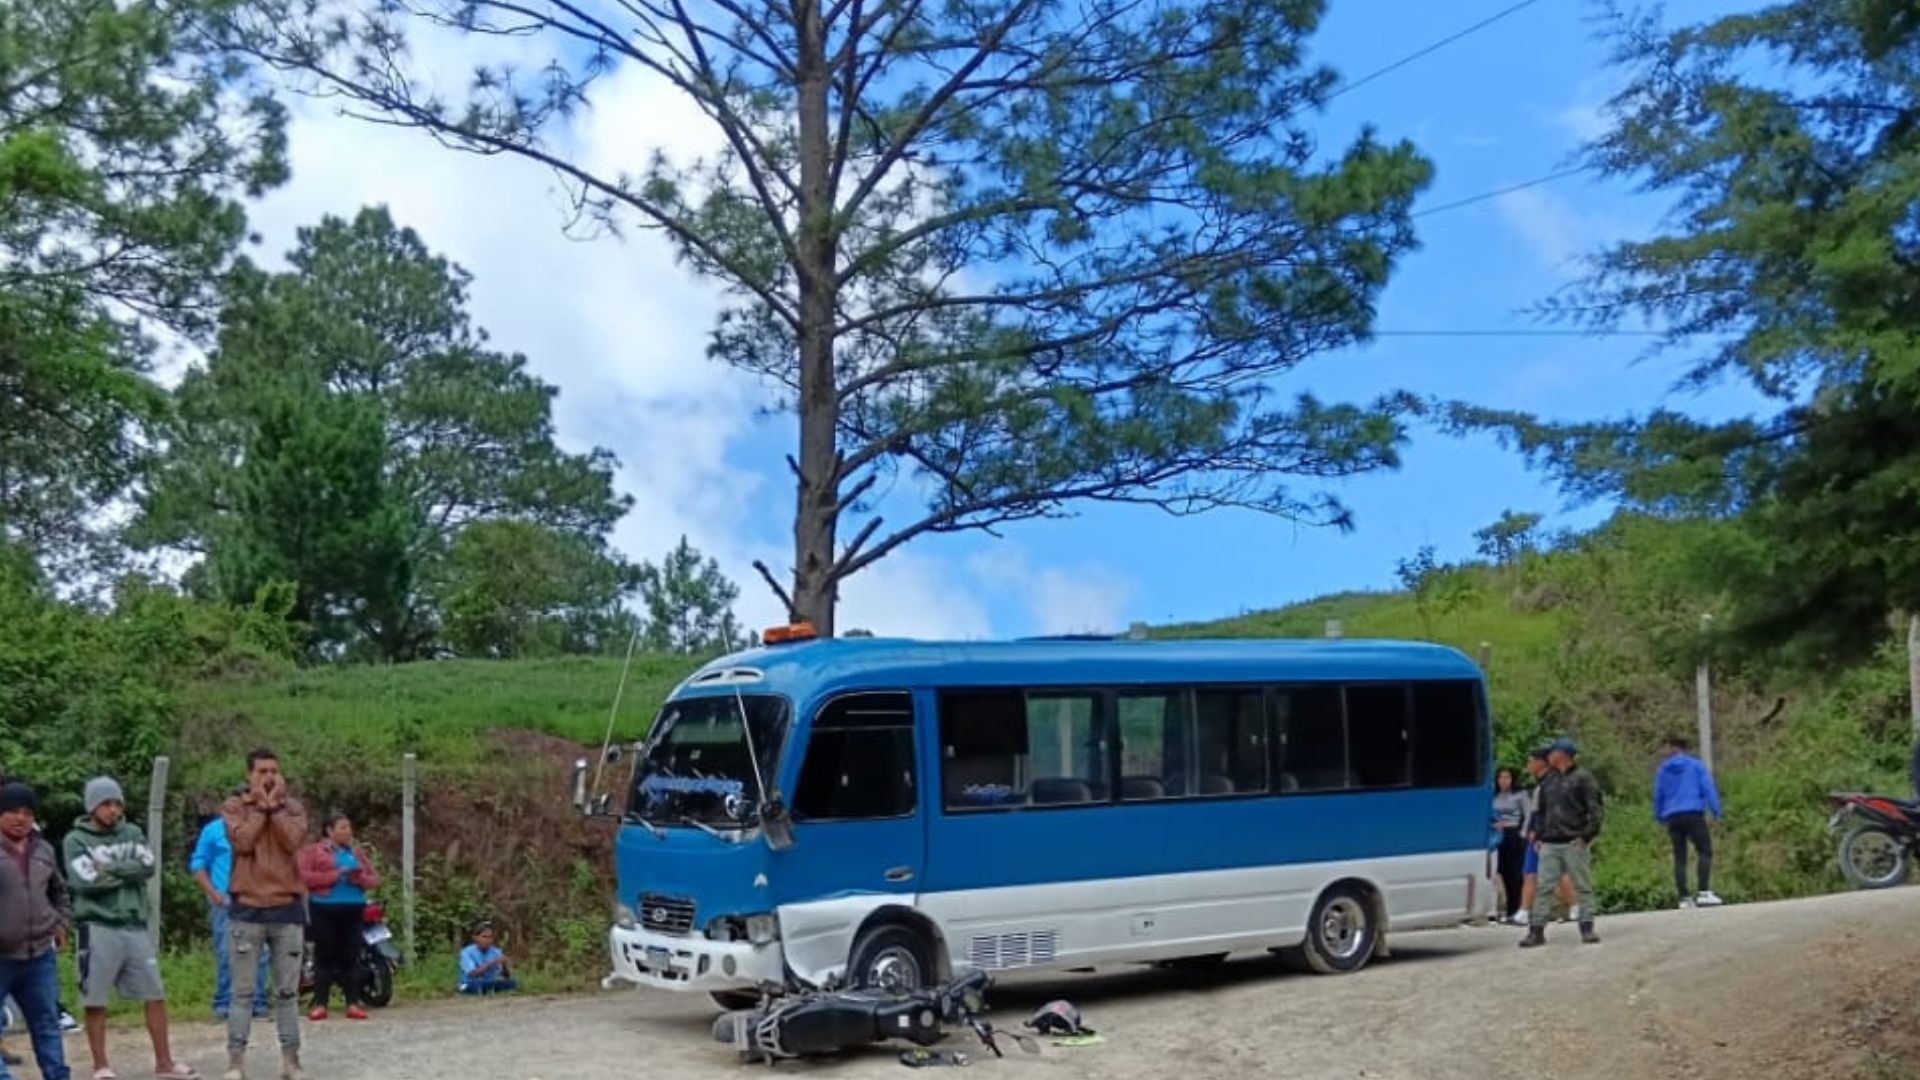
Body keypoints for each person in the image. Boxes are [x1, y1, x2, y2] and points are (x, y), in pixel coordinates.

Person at [63, 776, 199, 1079]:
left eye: (117, 803)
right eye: (106, 804)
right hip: (97, 925)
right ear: (92, 807)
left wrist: (109, 868)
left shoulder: (133, 831)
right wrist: (127, 871)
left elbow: (148, 865)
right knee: (95, 997)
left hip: (134, 924)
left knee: (155, 992)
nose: (114, 810)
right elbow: (85, 882)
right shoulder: (76, 840)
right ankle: (101, 1065)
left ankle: (164, 1062)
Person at [221, 750, 310, 1080]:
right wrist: (260, 807)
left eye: (274, 770)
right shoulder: (234, 806)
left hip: (287, 908)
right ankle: (236, 1061)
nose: (268, 777)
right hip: (247, 908)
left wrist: (275, 810)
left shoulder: (294, 807)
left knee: (287, 992)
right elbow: (242, 842)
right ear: (249, 775)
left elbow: (292, 841)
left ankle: (291, 1060)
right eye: (261, 771)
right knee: (242, 992)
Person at [0, 782, 71, 1080]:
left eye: (28, 812)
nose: (21, 818)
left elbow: (60, 892)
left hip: (39, 955)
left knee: (47, 1025)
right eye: (13, 811)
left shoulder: (44, 849)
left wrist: (61, 922)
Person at [191, 798, 270, 1022]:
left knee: (260, 953)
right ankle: (223, 1003)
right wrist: (212, 892)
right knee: (226, 952)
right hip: (225, 897)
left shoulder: (262, 828)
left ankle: (258, 1002)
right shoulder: (213, 830)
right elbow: (198, 863)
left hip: (256, 896)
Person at [1521, 737, 1603, 948]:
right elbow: (1541, 811)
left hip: (1573, 840)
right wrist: (1539, 835)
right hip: (1549, 841)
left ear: (1563, 755)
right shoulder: (1549, 780)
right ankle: (1536, 930)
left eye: (1554, 751)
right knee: (1544, 886)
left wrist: (1586, 836)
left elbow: (1595, 809)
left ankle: (1587, 927)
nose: (1549, 755)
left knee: (1582, 885)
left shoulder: (1583, 778)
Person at [298, 813, 379, 1022]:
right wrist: (336, 875)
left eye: (348, 828)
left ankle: (352, 1002)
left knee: (351, 955)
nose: (347, 832)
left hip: (353, 907)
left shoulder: (356, 852)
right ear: (329, 831)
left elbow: (374, 878)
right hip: (324, 907)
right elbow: (303, 877)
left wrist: (359, 878)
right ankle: (320, 1004)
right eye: (342, 828)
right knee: (325, 955)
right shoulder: (314, 852)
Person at [1653, 734, 1724, 909]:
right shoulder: (1695, 766)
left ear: (1674, 747)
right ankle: (1704, 892)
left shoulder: (1663, 770)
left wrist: (1659, 816)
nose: (1665, 751)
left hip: (1673, 816)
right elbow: (1708, 788)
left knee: (1680, 856)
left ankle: (1684, 898)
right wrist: (1716, 811)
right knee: (1705, 850)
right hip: (1693, 812)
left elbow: (1658, 795)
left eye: (1667, 747)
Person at [1516, 749, 1576, 926]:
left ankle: (1575, 906)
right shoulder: (1541, 784)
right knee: (1530, 873)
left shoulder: (1551, 784)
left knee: (1557, 873)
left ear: (1541, 762)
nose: (1528, 765)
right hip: (1539, 833)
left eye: (1530, 761)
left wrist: (1540, 834)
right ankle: (1524, 911)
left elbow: (1548, 813)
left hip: (1547, 835)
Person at [1490, 767, 1529, 924]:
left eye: (1507, 777)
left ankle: (1518, 909)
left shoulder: (1520, 795)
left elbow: (1528, 814)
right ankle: (1508, 910)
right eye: (1500, 778)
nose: (1503, 781)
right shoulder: (1494, 796)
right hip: (1499, 836)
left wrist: (1523, 833)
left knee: (1515, 874)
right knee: (1503, 874)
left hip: (1515, 834)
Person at [456, 924, 517, 996]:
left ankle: (488, 990)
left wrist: (504, 965)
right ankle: (486, 990)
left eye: (490, 937)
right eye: (484, 937)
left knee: (511, 983)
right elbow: (473, 973)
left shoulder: (496, 951)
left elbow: (505, 976)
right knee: (476, 986)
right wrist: (492, 963)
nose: (487, 940)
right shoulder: (466, 952)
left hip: (488, 982)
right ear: (475, 938)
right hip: (469, 983)